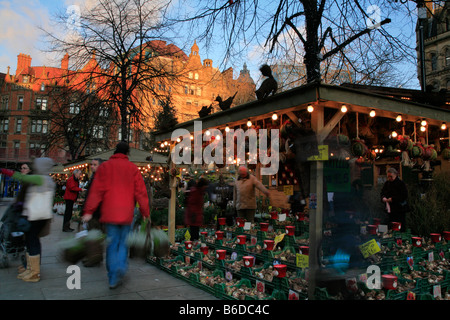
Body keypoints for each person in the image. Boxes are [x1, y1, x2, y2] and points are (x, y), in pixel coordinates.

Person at [82, 142, 150, 289]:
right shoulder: (132, 168)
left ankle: (113, 276)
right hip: (126, 214)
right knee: (123, 243)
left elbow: (96, 191)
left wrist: (88, 211)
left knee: (112, 244)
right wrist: (145, 212)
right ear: (127, 153)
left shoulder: (105, 167)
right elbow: (141, 192)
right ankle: (121, 268)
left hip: (110, 214)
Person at [0, 157, 56, 282]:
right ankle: (30, 269)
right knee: (31, 241)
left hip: (35, 216)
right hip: (37, 216)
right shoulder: (46, 179)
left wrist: (4, 171)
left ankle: (34, 273)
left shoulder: (41, 178)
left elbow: (22, 177)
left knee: (32, 241)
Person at [381, 167, 409, 232]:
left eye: (391, 176)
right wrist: (383, 198)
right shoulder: (387, 184)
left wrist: (393, 199)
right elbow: (382, 192)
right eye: (388, 177)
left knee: (399, 226)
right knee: (390, 225)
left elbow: (404, 196)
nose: (389, 178)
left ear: (395, 175)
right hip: (390, 209)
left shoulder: (400, 184)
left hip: (399, 209)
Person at [82, 158, 104, 231]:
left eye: (95, 165)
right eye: (91, 164)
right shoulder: (93, 177)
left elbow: (95, 196)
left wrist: (89, 211)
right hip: (93, 212)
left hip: (98, 213)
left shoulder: (101, 178)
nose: (92, 166)